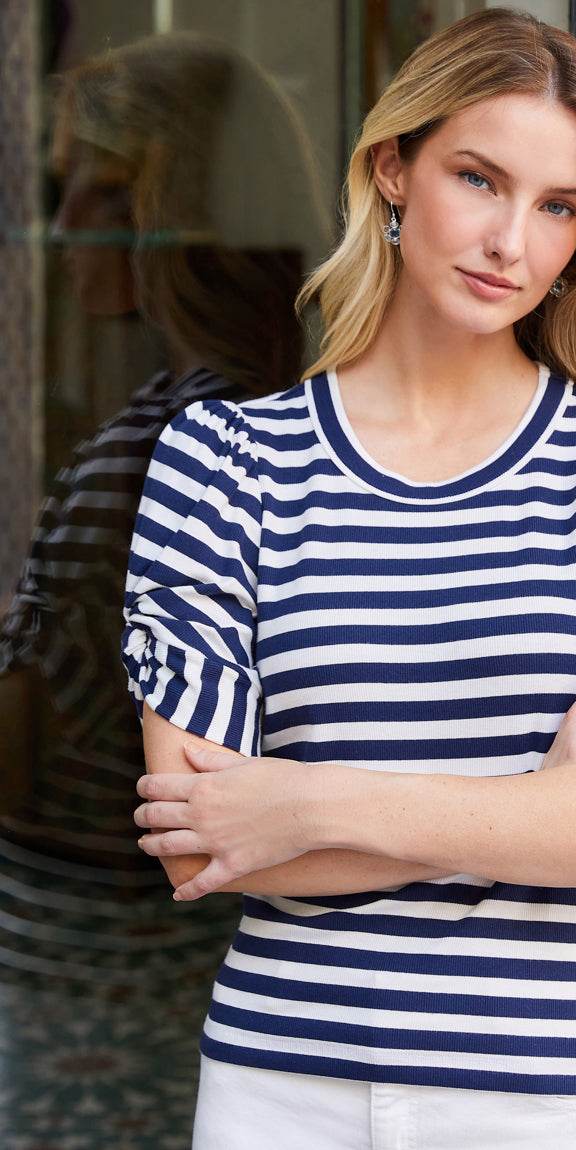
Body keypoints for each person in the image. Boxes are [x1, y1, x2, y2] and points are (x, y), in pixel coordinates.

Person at [121, 9, 576, 1148]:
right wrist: (547, 790)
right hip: (278, 1087)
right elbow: (205, 838)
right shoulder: (221, 463)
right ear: (393, 169)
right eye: (479, 177)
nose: (513, 239)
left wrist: (303, 803)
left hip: (538, 1095)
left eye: (558, 206)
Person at [0, 30, 329, 1145]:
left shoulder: (163, 451)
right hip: (178, 974)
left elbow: (33, 751)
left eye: (92, 189)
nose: (61, 226)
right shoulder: (286, 427)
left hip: (83, 974)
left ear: (167, 204)